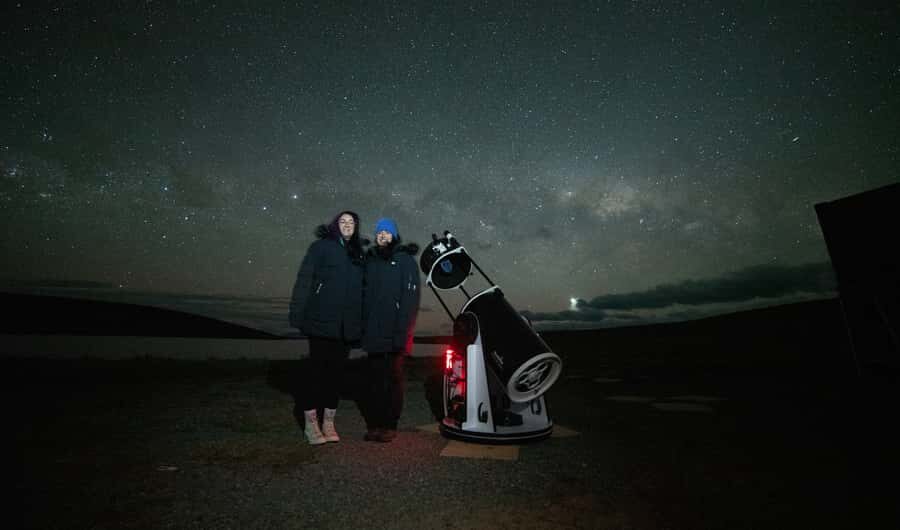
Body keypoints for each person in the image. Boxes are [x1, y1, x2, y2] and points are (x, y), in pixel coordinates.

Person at [289, 211, 365, 445]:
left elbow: (363, 291)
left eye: (351, 222)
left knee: (336, 376)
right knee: (316, 374)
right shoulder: (321, 247)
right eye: (343, 221)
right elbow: (305, 279)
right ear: (335, 225)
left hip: (345, 327)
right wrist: (297, 313)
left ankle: (329, 423)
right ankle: (311, 425)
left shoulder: (357, 254)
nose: (347, 225)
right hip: (321, 321)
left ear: (356, 227)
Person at [361, 217, 421, 442]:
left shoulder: (405, 261)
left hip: (396, 331)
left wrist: (402, 333)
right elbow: (365, 296)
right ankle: (375, 424)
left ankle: (390, 425)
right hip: (374, 332)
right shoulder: (372, 261)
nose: (382, 235)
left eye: (387, 232)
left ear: (394, 235)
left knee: (392, 379)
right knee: (375, 381)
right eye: (379, 232)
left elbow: (410, 300)